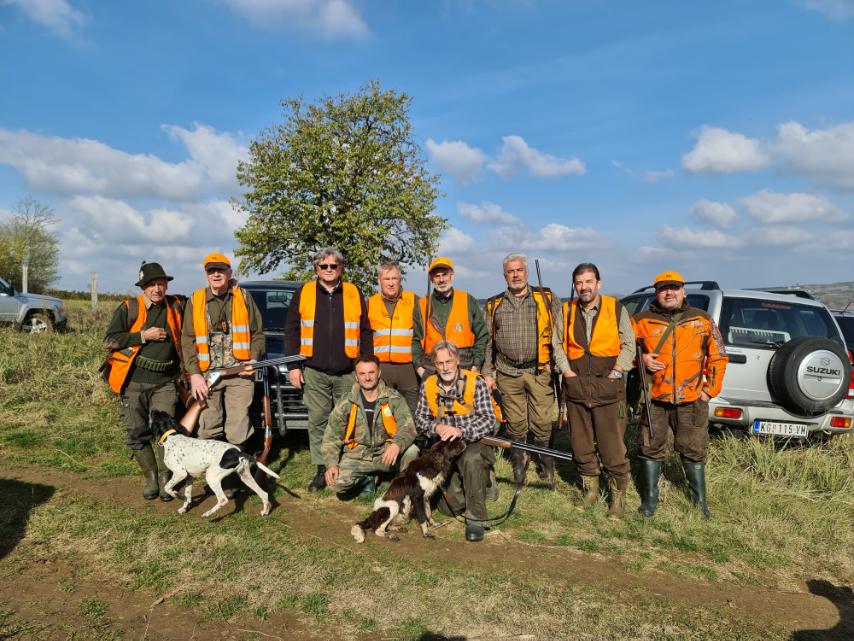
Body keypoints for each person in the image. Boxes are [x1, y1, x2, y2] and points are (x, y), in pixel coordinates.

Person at [632, 271, 728, 518]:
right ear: (657, 292)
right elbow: (623, 349)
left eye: (674, 287)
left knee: (693, 448)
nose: (669, 292)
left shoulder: (702, 319)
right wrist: (641, 359)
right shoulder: (641, 320)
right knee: (650, 446)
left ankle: (700, 503)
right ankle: (650, 500)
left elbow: (718, 355)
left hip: (691, 398)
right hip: (655, 398)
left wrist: (709, 392)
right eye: (664, 288)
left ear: (683, 290)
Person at [284, 247, 373, 492]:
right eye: (324, 266)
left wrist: (364, 365)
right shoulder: (304, 292)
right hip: (314, 370)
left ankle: (347, 467)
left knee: (349, 422)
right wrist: (293, 366)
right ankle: (322, 469)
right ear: (316, 269)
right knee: (318, 421)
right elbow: (291, 331)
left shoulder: (354, 292)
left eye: (334, 266)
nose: (329, 270)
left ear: (341, 268)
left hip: (347, 372)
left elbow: (365, 331)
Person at [481, 253, 569, 488]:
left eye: (519, 270)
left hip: (540, 371)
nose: (516, 275)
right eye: (511, 271)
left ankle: (545, 464)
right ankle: (519, 465)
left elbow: (561, 334)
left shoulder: (548, 298)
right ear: (504, 275)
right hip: (508, 372)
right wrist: (487, 372)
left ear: (527, 272)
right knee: (516, 424)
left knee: (541, 422)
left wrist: (558, 363)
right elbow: (487, 342)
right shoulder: (493, 304)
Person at [104, 262, 184, 501]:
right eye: (151, 285)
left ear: (167, 284)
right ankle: (150, 478)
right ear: (143, 287)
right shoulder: (130, 307)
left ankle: (165, 479)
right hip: (133, 381)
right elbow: (110, 339)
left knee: (167, 433)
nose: (157, 289)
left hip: (165, 381)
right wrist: (142, 336)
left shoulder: (178, 305)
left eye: (161, 283)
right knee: (137, 432)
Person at [562, 263, 636, 519]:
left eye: (588, 281)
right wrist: (567, 373)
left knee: (612, 446)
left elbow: (629, 344)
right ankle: (590, 491)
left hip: (609, 389)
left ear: (599, 283)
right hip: (576, 387)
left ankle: (618, 499)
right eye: (579, 283)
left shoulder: (616, 309)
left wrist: (616, 373)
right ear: (575, 285)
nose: (584, 287)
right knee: (580, 444)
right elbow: (557, 345)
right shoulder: (566, 310)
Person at [409, 341, 496, 542]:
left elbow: (488, 419)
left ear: (457, 360)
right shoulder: (428, 384)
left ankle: (476, 519)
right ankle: (481, 483)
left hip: (471, 440)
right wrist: (436, 428)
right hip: (443, 448)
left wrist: (461, 430)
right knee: (450, 508)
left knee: (472, 459)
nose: (445, 367)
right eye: (440, 363)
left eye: (449, 361)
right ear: (434, 365)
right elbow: (420, 419)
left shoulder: (476, 382)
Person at [180, 252, 264, 458]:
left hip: (239, 373)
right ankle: (212, 469)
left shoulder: (243, 297)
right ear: (206, 274)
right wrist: (195, 375)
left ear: (229, 272)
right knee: (208, 425)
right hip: (207, 375)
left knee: (238, 426)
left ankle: (235, 471)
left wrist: (254, 359)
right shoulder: (195, 300)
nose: (216, 274)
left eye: (220, 270)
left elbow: (258, 334)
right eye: (211, 271)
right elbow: (187, 340)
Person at [321, 355, 416, 499]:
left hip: (386, 454)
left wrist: (396, 444)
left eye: (371, 372)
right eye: (362, 374)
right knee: (335, 483)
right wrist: (331, 464)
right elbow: (331, 436)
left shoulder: (394, 398)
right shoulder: (346, 402)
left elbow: (408, 428)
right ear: (356, 377)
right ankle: (367, 480)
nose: (367, 378)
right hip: (358, 456)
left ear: (379, 373)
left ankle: (401, 488)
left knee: (412, 451)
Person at [412, 257, 489, 377]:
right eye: (437, 276)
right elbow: (416, 340)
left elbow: (482, 335)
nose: (441, 279)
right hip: (432, 370)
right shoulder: (422, 305)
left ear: (452, 276)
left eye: (444, 275)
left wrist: (476, 365)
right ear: (432, 279)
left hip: (464, 368)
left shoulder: (468, 300)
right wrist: (420, 369)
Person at [367, 262, 420, 415]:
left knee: (411, 412)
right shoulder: (370, 303)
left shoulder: (415, 301)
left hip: (408, 369)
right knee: (383, 412)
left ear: (400, 280)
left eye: (394, 278)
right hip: (381, 369)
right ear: (379, 280)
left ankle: (412, 439)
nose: (390, 283)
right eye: (386, 279)